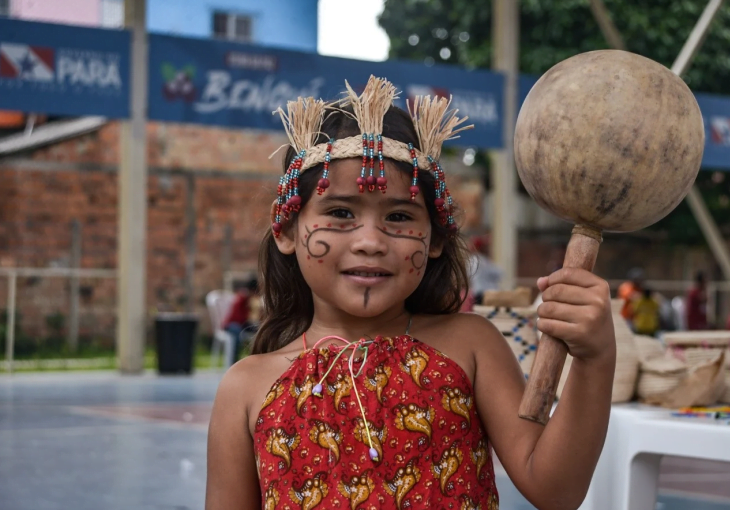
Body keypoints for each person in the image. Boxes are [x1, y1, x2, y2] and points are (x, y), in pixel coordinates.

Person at [205, 77, 616, 510]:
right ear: (286, 227)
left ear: (435, 238)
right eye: (341, 212)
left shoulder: (472, 346)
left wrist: (594, 359)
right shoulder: (246, 388)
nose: (371, 241)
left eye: (399, 216)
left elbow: (557, 491)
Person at [222, 277, 259, 366]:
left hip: (242, 324)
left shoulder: (249, 299)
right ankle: (233, 362)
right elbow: (237, 316)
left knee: (259, 330)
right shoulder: (242, 297)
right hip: (232, 324)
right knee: (237, 333)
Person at [467, 235, 503, 304]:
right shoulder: (480, 260)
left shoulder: (473, 260)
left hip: (479, 292)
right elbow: (500, 273)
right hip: (485, 293)